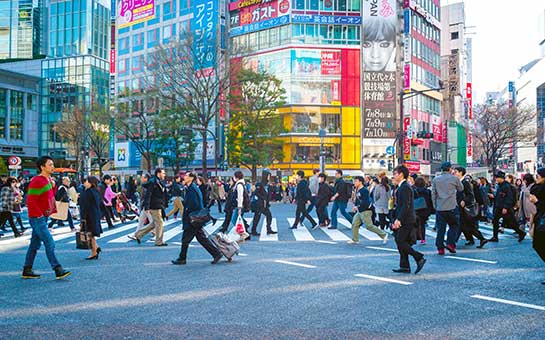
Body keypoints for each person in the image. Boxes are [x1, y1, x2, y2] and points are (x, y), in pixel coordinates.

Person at [22, 156, 71, 280]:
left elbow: (49, 196)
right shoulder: (37, 180)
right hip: (37, 217)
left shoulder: (48, 180)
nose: (52, 167)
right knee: (49, 242)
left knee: (34, 245)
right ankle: (57, 269)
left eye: (52, 164)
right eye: (50, 164)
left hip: (44, 216)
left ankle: (27, 269)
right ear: (42, 167)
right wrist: (38, 215)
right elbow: (31, 200)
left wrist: (53, 185)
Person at [171, 171, 222, 265]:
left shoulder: (192, 189)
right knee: (201, 238)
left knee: (186, 239)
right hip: (195, 218)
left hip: (193, 218)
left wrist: (186, 207)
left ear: (191, 178)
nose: (184, 177)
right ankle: (216, 254)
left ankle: (182, 258)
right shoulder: (192, 187)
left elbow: (194, 204)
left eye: (186, 176)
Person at [391, 165, 426, 274]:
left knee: (400, 241)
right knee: (402, 241)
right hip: (405, 218)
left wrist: (399, 219)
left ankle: (418, 257)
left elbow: (406, 205)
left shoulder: (405, 187)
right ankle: (404, 266)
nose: (394, 175)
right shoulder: (402, 186)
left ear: (401, 174)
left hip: (406, 219)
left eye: (395, 173)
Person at [431, 161, 463, 255]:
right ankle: (450, 243)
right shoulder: (454, 178)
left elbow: (433, 194)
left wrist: (435, 205)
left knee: (441, 229)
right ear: (450, 169)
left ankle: (440, 248)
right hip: (452, 206)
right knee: (454, 225)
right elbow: (461, 188)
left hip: (440, 207)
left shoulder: (436, 179)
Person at [453, 167, 488, 249]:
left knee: (466, 226)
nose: (455, 173)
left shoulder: (465, 182)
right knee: (464, 226)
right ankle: (477, 239)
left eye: (456, 172)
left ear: (461, 172)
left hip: (465, 208)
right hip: (460, 207)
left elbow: (470, 195)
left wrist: (464, 201)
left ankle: (452, 242)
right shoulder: (459, 182)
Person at [348, 176, 388, 244]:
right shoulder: (357, 189)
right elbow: (358, 200)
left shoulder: (364, 190)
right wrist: (356, 205)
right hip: (360, 210)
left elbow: (365, 202)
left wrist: (357, 207)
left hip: (366, 211)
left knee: (369, 226)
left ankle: (384, 235)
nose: (354, 182)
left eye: (356, 181)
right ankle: (355, 239)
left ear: (360, 182)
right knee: (354, 224)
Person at [135, 168, 168, 246]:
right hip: (154, 205)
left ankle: (138, 234)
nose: (164, 175)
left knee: (154, 223)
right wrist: (147, 207)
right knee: (159, 223)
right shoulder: (153, 182)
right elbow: (148, 195)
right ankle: (158, 241)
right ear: (158, 173)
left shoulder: (159, 181)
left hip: (158, 205)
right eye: (163, 173)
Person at [490, 171, 526, 242]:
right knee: (495, 221)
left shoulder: (506, 186)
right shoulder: (500, 185)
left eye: (497, 177)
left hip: (505, 208)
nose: (496, 179)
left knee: (511, 223)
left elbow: (509, 197)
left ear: (501, 178)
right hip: (499, 207)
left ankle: (521, 233)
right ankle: (495, 237)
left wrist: (506, 207)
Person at [80, 176, 103, 260]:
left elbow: (84, 206)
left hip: (88, 215)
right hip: (95, 214)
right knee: (91, 233)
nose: (84, 183)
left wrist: (82, 217)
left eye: (86, 181)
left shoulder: (88, 192)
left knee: (90, 234)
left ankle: (94, 252)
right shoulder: (96, 191)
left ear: (90, 182)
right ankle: (96, 248)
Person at [529, 168, 545, 284]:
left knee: (539, 243)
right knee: (537, 244)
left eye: (538, 175)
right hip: (540, 219)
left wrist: (537, 201)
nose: (537, 177)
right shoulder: (538, 187)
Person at [250, 170, 277, 236]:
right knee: (257, 217)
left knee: (268, 216)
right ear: (265, 176)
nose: (269, 177)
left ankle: (268, 229)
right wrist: (263, 198)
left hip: (265, 205)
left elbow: (269, 194)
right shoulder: (260, 184)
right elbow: (256, 192)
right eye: (268, 176)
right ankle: (254, 230)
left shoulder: (267, 184)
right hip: (259, 204)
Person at [128, 174, 153, 241]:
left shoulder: (148, 186)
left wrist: (147, 206)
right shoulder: (144, 185)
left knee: (152, 222)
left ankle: (156, 234)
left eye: (142, 177)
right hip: (145, 206)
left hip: (147, 206)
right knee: (141, 221)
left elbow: (148, 197)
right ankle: (136, 235)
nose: (141, 178)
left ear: (146, 178)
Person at [228, 171, 251, 238]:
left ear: (237, 177)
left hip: (240, 205)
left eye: (234, 176)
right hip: (241, 205)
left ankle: (244, 233)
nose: (234, 178)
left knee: (234, 219)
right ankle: (245, 230)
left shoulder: (239, 185)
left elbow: (240, 196)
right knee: (239, 219)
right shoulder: (241, 184)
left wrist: (239, 207)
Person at [413, 177, 433, 244]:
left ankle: (415, 237)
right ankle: (423, 239)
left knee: (415, 224)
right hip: (425, 210)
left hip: (416, 210)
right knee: (422, 224)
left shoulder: (414, 191)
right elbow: (430, 201)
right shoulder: (428, 191)